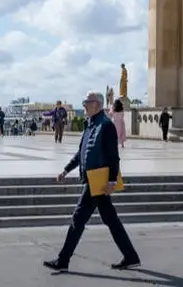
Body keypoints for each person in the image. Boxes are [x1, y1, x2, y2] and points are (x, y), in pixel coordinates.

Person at [43, 91, 140, 273]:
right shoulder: (90, 125)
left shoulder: (106, 126)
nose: (84, 105)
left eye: (86, 102)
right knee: (111, 219)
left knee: (78, 219)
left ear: (96, 104)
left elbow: (113, 157)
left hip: (98, 181)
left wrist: (112, 180)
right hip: (92, 180)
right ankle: (131, 256)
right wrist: (65, 170)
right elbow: (81, 154)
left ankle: (63, 260)